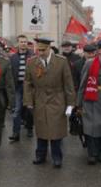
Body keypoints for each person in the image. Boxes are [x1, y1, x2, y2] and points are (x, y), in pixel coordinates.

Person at [24, 37, 76, 168]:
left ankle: (57, 157)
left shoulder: (61, 62)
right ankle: (40, 155)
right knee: (41, 130)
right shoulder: (31, 62)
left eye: (43, 50)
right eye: (38, 50)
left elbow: (68, 84)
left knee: (56, 131)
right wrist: (29, 101)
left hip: (57, 99)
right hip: (39, 99)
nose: (40, 52)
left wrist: (70, 104)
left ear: (49, 48)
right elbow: (27, 83)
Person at [8, 34, 35, 141]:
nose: (23, 43)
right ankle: (16, 133)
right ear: (17, 43)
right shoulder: (13, 58)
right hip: (18, 86)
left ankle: (29, 128)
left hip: (30, 87)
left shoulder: (33, 56)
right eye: (21, 41)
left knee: (29, 109)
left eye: (25, 42)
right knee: (17, 110)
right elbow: (10, 73)